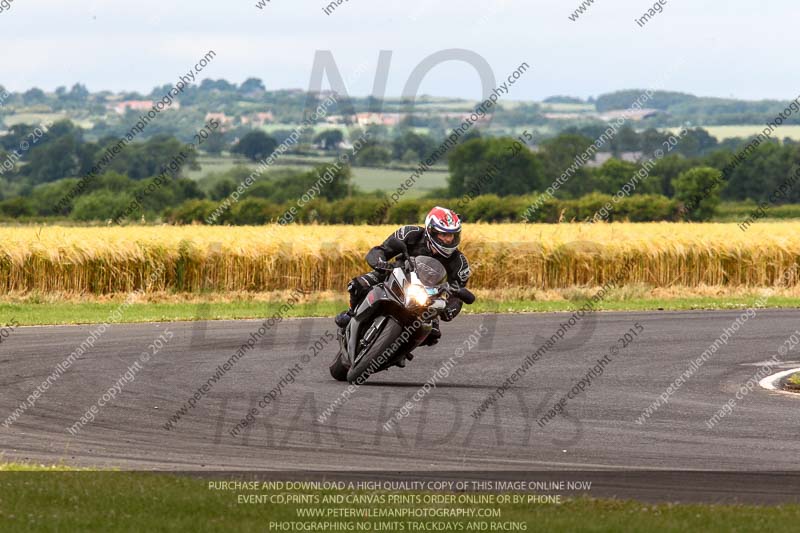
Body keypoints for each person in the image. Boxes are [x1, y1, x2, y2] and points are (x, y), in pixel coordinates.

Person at [334, 206, 471, 351]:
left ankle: (401, 351)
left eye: (452, 235)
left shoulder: (460, 263)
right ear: (431, 230)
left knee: (433, 334)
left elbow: (459, 294)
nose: (448, 239)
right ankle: (351, 313)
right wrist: (380, 263)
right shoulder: (411, 233)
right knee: (357, 285)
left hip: (427, 297)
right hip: (395, 273)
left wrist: (451, 308)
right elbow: (380, 250)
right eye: (443, 234)